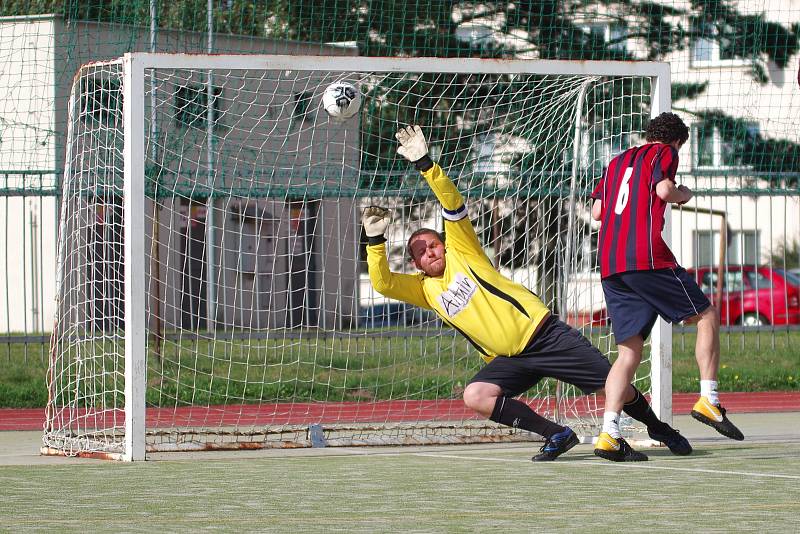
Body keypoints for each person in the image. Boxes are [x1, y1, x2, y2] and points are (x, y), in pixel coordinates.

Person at [362, 125, 691, 462]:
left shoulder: (463, 251)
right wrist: (375, 242)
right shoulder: (424, 290)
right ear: (416, 263)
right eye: (421, 252)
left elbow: (451, 201)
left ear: (445, 245)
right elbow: (383, 283)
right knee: (475, 395)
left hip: (544, 335)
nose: (429, 252)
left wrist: (426, 164)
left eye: (433, 244)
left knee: (611, 386)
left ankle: (658, 427)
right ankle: (557, 434)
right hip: (509, 360)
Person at [590, 112, 744, 462]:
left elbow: (598, 212)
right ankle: (709, 397)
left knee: (628, 352)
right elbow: (664, 189)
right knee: (706, 315)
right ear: (676, 142)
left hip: (610, 263)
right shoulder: (663, 153)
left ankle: (609, 432)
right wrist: (683, 194)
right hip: (644, 256)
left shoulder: (615, 161)